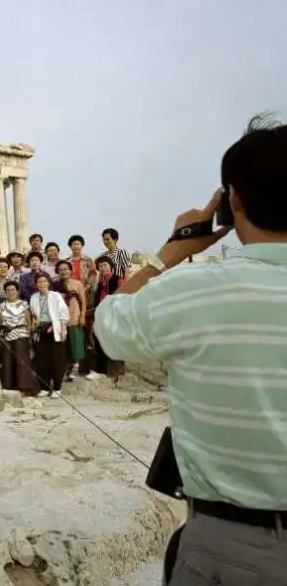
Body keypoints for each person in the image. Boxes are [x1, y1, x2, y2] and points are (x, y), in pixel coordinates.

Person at [94, 117, 287, 585]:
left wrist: (169, 254)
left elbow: (109, 325)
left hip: (233, 546)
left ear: (232, 201)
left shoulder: (192, 291)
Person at [29, 273, 69, 398]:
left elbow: (63, 313)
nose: (41, 284)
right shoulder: (34, 297)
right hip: (40, 331)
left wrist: (63, 330)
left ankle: (57, 387)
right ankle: (44, 387)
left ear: (48, 283)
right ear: (36, 284)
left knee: (57, 359)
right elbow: (33, 315)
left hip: (55, 329)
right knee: (41, 359)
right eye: (39, 282)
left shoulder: (55, 296)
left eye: (44, 281)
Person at [0, 281, 36, 396]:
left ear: (17, 291)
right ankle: (9, 385)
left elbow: (30, 322)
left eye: (13, 289)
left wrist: (29, 333)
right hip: (7, 335)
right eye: (8, 290)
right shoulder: (1, 306)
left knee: (22, 362)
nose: (10, 292)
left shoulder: (25, 305)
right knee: (7, 361)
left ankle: (24, 386)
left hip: (21, 334)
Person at [87, 256, 122, 381]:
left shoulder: (118, 279)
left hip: (113, 315)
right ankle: (100, 369)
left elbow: (123, 297)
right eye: (100, 266)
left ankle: (103, 370)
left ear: (110, 266)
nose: (102, 268)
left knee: (108, 341)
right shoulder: (100, 283)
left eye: (105, 265)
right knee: (99, 341)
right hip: (101, 315)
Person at [55, 260, 87, 381]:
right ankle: (65, 370)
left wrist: (82, 315)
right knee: (63, 346)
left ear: (70, 270)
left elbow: (83, 301)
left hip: (75, 317)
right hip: (61, 320)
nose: (63, 272)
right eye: (60, 270)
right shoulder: (56, 285)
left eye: (65, 269)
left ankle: (75, 368)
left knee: (76, 343)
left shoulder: (78, 284)